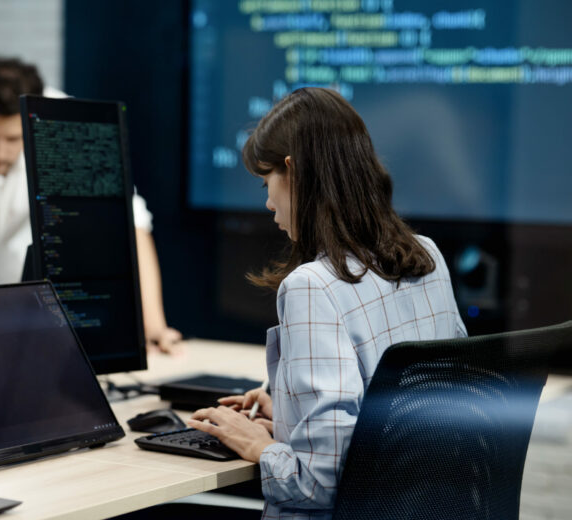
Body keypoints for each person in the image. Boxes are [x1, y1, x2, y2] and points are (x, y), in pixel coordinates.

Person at [187, 88, 467, 518]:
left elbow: (316, 486)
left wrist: (258, 445)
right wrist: (289, 415)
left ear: (293, 171)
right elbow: (401, 427)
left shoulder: (312, 286)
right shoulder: (427, 257)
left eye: (267, 183)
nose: (267, 202)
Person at [0, 57, 181, 353]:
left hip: (31, 281)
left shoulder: (67, 126)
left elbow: (127, 221)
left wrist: (153, 326)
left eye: (13, 138)